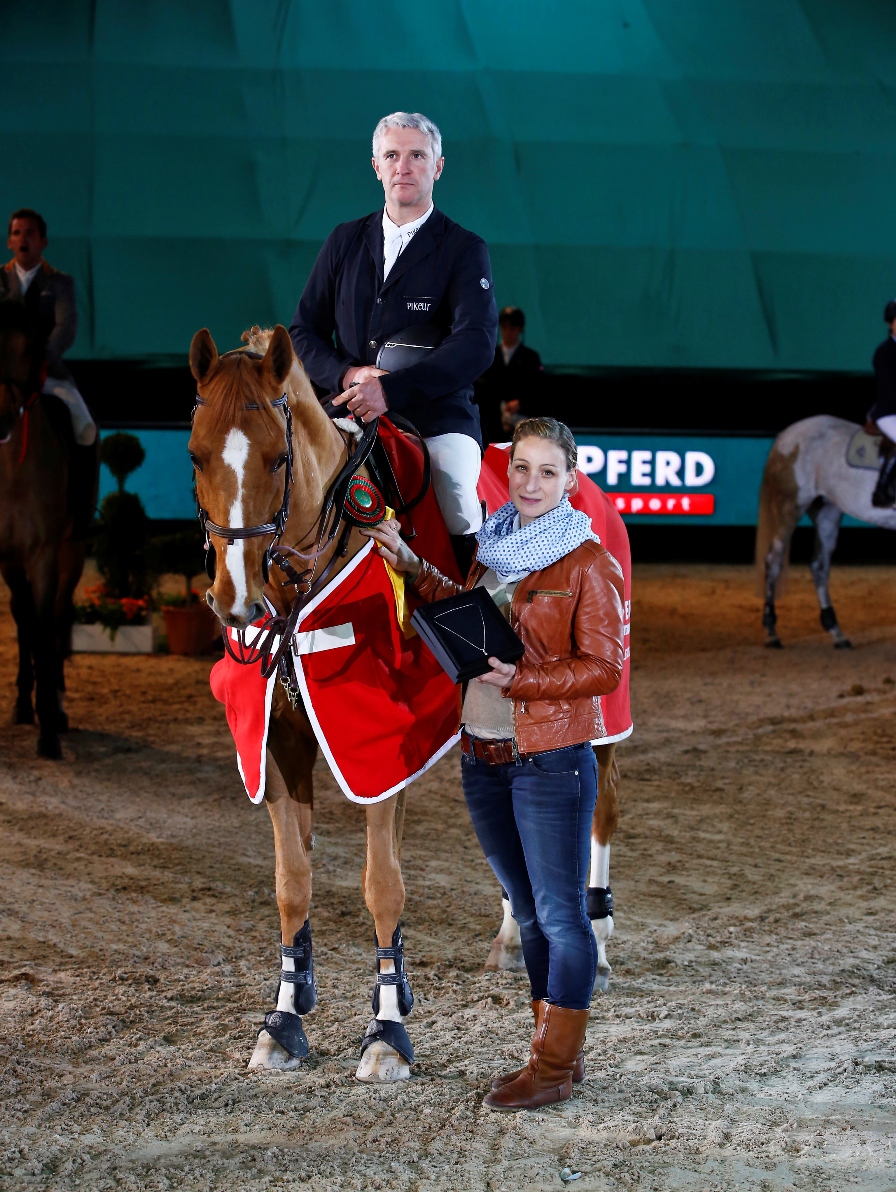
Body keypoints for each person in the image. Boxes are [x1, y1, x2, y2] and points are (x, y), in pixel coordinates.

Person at [362, 417, 625, 1111]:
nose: (531, 484)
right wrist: (411, 567)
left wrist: (524, 683)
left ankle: (551, 1066)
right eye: (522, 470)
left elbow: (604, 669)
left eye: (547, 472)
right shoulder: (495, 547)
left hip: (550, 760)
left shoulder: (589, 564)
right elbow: (466, 611)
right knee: (532, 915)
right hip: (484, 758)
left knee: (563, 918)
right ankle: (554, 1062)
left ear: (570, 480)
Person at [289, 112, 498, 570]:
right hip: (345, 410)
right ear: (376, 166)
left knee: (459, 496)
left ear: (437, 167)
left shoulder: (464, 248)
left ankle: (475, 611)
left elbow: (476, 344)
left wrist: (393, 390)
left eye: (417, 155)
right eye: (392, 155)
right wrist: (350, 374)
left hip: (434, 419)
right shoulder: (343, 241)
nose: (404, 166)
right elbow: (301, 332)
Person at [1, 208, 97, 534]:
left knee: (86, 430)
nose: (22, 239)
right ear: (9, 241)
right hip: (5, 378)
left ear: (42, 241)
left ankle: (80, 511)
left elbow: (65, 327)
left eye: (29, 233)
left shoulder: (59, 283)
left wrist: (39, 357)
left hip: (47, 373)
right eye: (16, 233)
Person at [475, 306, 543, 445]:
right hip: (492, 424)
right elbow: (482, 389)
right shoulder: (490, 356)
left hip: (522, 419)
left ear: (520, 329)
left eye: (513, 326)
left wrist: (520, 403)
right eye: (505, 326)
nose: (508, 331)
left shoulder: (530, 358)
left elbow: (538, 388)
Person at [868, 299, 896, 507]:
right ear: (890, 323)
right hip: (889, 412)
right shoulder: (884, 352)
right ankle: (882, 489)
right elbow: (888, 388)